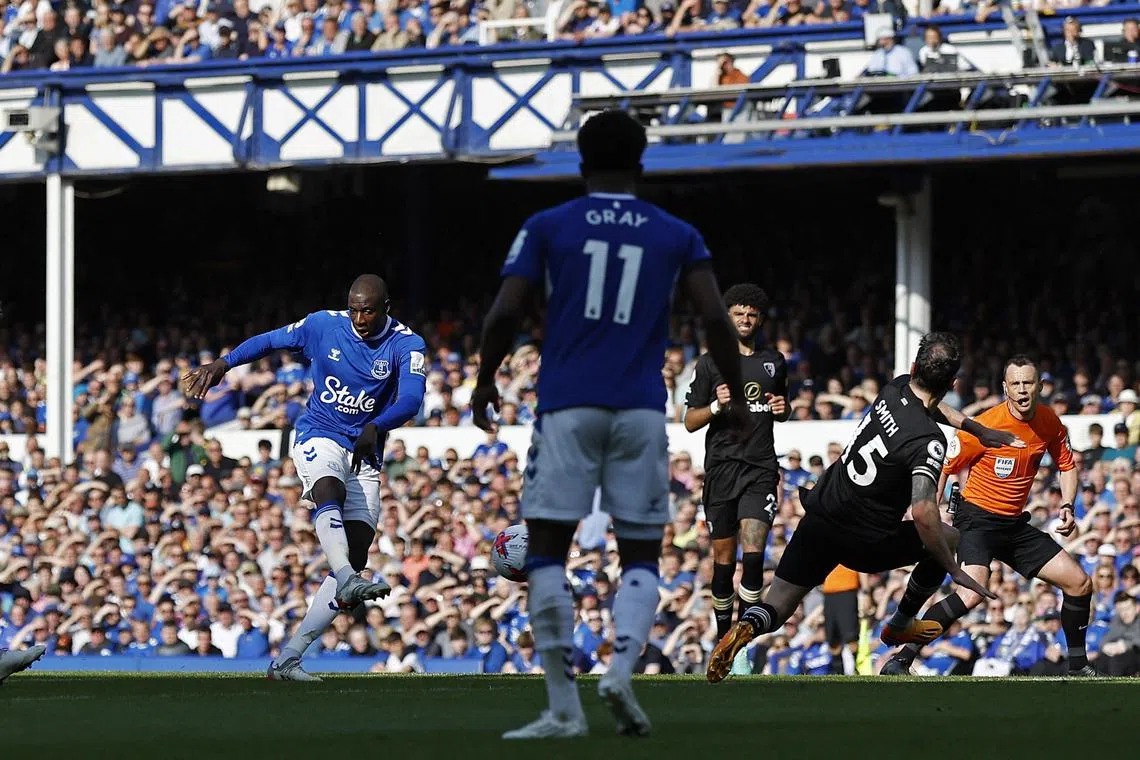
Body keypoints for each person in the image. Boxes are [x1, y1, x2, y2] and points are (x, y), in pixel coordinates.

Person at [472, 109, 748, 738]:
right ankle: (622, 670)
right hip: (641, 408)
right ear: (642, 163)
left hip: (567, 405)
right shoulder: (678, 233)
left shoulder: (547, 224)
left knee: (546, 552)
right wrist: (732, 389)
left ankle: (563, 709)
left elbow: (504, 312)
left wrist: (486, 377)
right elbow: (713, 316)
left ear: (580, 163)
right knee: (641, 552)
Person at [707, 332, 1016, 683]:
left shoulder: (894, 389)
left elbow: (931, 406)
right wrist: (952, 568)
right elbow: (922, 512)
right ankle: (901, 622)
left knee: (779, 602)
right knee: (947, 537)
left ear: (914, 368)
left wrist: (975, 429)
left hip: (821, 514)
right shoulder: (928, 442)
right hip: (864, 539)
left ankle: (746, 626)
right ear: (953, 383)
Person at [182, 273, 427, 681]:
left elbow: (412, 399)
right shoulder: (323, 325)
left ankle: (289, 658)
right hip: (319, 432)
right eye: (354, 309)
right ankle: (347, 579)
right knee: (328, 490)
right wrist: (224, 363)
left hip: (365, 450)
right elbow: (269, 341)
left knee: (358, 549)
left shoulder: (406, 344)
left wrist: (377, 425)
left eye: (368, 311)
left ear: (386, 308)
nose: (359, 319)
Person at [881, 355, 1095, 677]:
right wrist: (931, 511)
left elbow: (1067, 465)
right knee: (971, 594)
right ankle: (901, 659)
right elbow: (944, 466)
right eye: (1015, 383)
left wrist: (1067, 505)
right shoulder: (986, 425)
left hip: (1013, 524)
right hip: (976, 520)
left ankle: (1078, 667)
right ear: (1005, 388)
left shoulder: (1050, 421)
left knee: (1079, 583)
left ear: (1040, 386)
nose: (1022, 390)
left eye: (1028, 383)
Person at [683, 283, 788, 641]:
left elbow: (782, 406)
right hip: (722, 469)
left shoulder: (773, 361)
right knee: (724, 562)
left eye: (751, 314)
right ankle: (723, 637)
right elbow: (690, 421)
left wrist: (783, 409)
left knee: (754, 553)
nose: (745, 319)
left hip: (760, 468)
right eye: (739, 314)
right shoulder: (710, 363)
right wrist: (716, 406)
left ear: (760, 320)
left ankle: (741, 640)